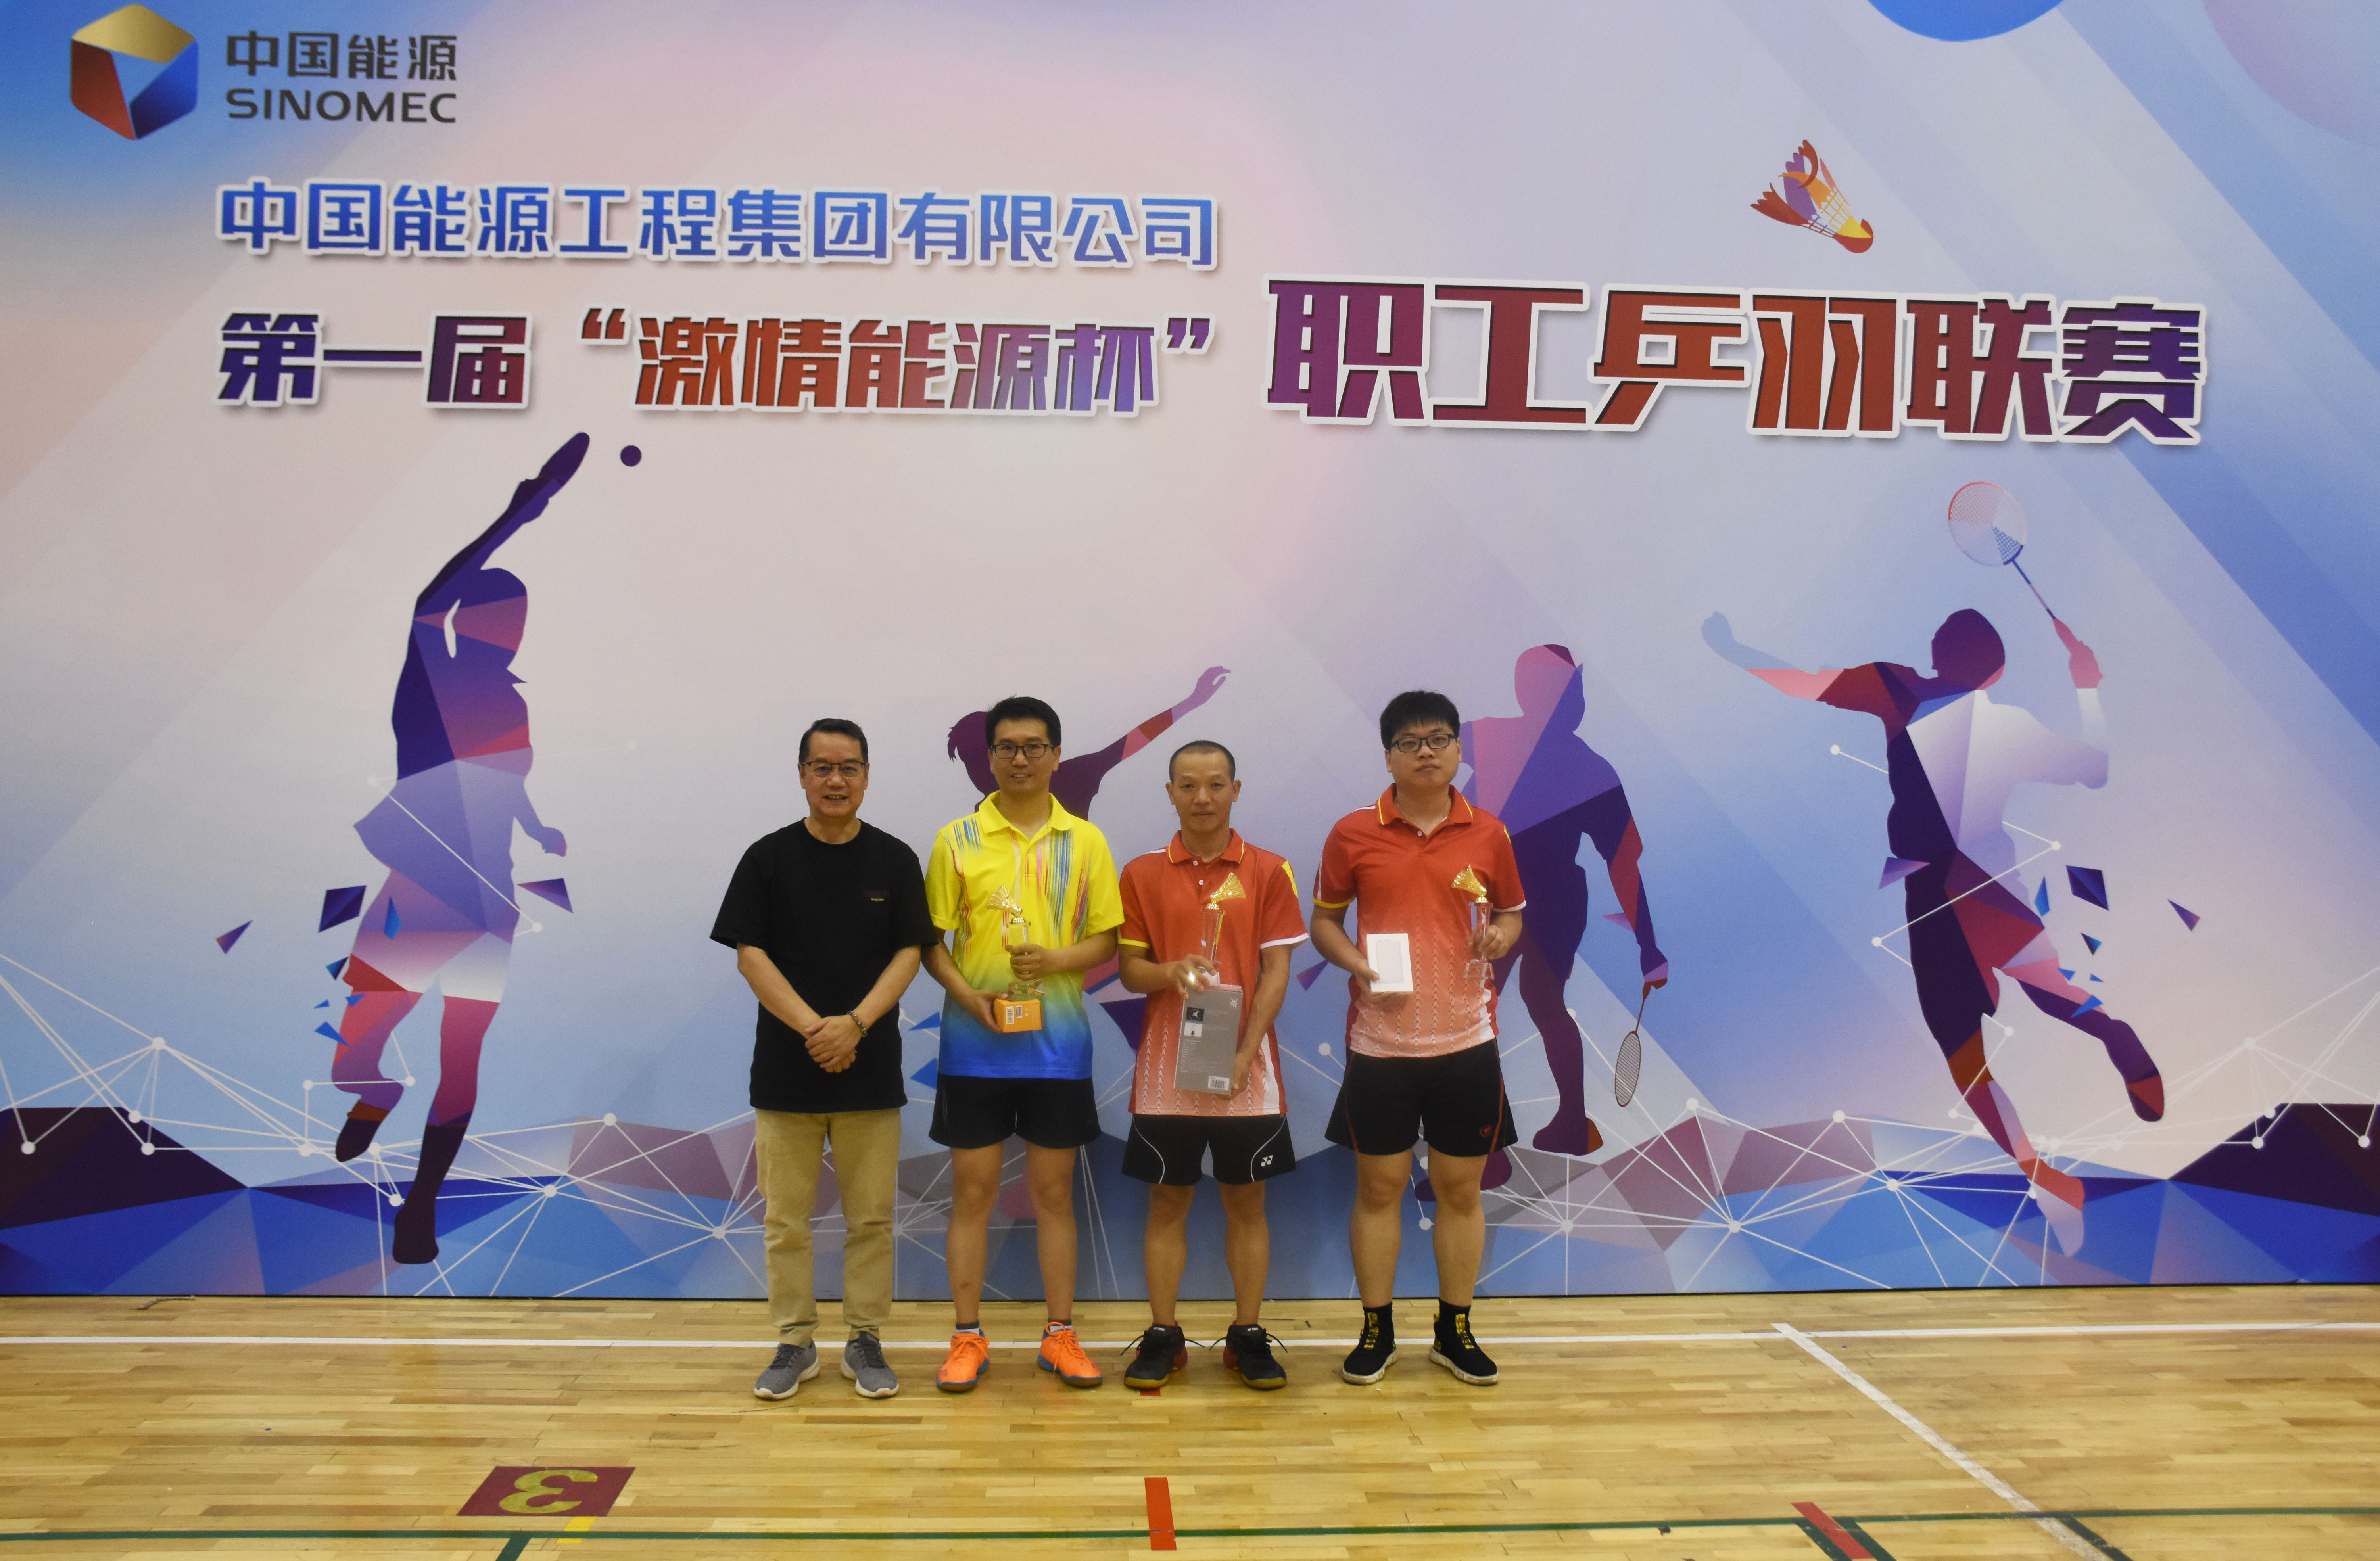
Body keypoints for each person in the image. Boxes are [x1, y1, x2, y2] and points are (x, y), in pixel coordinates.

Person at [1705, 608, 2163, 1253]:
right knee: (2049, 992)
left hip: (1937, 894)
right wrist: (2086, 685)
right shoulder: (2007, 726)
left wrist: (1733, 648)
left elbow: (1803, 683)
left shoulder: (1898, 689)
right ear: (1996, 673)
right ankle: (2112, 1039)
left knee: (1966, 1058)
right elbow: (2096, 768)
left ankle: (2046, 1179)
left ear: (1934, 652)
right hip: (1990, 881)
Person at [327, 434, 583, 1265]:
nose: (511, 634)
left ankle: (423, 1206)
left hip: (487, 902)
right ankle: (373, 1095)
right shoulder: (428, 679)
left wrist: (537, 826)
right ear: (463, 622)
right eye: (496, 619)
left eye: (519, 624)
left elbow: (502, 782)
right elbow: (424, 603)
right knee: (357, 1054)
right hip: (421, 893)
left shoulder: (510, 703)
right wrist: (518, 513)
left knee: (461, 1057)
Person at [711, 718, 934, 1402]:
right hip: (788, 1073)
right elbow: (751, 955)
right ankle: (795, 1342)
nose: (836, 780)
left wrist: (856, 1025)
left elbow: (910, 953)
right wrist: (817, 1030)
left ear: (866, 775)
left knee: (872, 1220)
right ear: (803, 775)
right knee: (786, 1221)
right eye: (823, 768)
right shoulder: (767, 858)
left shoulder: (894, 859)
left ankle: (865, 1339)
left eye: (849, 768)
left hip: (871, 1069)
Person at [1311, 691, 1526, 1388]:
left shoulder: (1489, 833)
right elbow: (1324, 922)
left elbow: (1512, 913)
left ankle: (1454, 1330)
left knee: (1460, 1191)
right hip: (1382, 1045)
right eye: (1409, 742)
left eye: (1438, 739)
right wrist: (1356, 963)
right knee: (1380, 1188)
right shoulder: (1353, 833)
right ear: (1389, 757)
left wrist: (1501, 936)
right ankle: (1377, 1331)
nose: (1426, 751)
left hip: (1467, 1041)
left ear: (1459, 749)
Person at [922, 696, 1125, 1392]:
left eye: (1034, 746)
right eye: (1007, 747)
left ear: (1056, 755)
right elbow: (932, 942)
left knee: (1054, 1194)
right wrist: (967, 996)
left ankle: (1059, 1335)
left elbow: (1108, 939)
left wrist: (1056, 961)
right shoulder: (956, 840)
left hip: (1057, 1049)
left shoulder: (1086, 841)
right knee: (973, 1192)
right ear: (989, 757)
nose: (1020, 759)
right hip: (974, 1048)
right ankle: (967, 1335)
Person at [1115, 742, 1307, 1391]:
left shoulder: (1269, 870)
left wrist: (1246, 1052)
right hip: (1166, 1075)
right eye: (1189, 785)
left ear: (1236, 790)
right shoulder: (1141, 873)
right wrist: (1171, 972)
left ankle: (1247, 1335)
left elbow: (1276, 972)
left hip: (1246, 1071)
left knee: (1246, 1202)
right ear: (1170, 792)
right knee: (1166, 1202)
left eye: (1216, 784)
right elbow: (1131, 971)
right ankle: (1164, 1335)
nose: (1203, 797)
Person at [1463, 646, 1668, 1160]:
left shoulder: (1573, 764)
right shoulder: (1504, 744)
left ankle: (1507, 1140)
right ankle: (1519, 1134)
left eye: (1568, 688)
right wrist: (1649, 949)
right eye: (1557, 688)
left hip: (1542, 901)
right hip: (1520, 899)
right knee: (1514, 1006)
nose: (1567, 699)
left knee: (1497, 1008)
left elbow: (1623, 863)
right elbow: (1624, 865)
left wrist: (1649, 947)